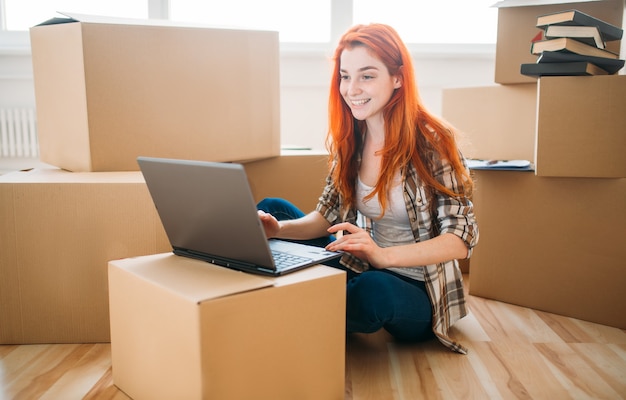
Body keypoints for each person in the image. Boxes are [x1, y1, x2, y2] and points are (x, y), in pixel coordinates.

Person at [257, 23, 478, 354]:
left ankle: (293, 302)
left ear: (398, 77)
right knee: (272, 208)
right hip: (360, 263)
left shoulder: (434, 145)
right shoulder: (352, 139)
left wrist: (382, 255)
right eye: (345, 76)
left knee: (374, 290)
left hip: (417, 287)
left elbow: (461, 240)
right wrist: (278, 229)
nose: (352, 88)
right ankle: (309, 297)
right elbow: (327, 216)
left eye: (367, 75)